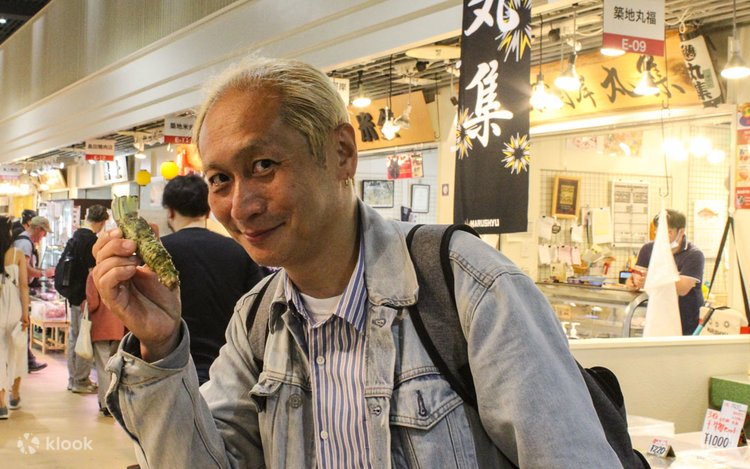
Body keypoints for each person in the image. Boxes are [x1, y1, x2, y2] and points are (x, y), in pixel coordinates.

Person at [92, 57, 620, 467]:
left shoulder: (466, 287)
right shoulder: (258, 321)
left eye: (264, 165)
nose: (241, 205)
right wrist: (161, 346)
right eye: (220, 179)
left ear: (342, 152)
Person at [160, 174, 265, 385]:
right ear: (208, 210)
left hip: (171, 369)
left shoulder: (160, 252)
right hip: (231, 372)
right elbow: (259, 312)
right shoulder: (240, 251)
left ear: (170, 211)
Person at [627, 209, 705, 335]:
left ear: (681, 232)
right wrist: (633, 282)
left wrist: (651, 279)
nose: (662, 236)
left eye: (668, 232)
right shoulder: (648, 249)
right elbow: (635, 277)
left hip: (686, 322)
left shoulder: (694, 254)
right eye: (659, 231)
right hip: (657, 318)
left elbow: (683, 288)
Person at [65, 205, 109, 394]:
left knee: (75, 337)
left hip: (73, 295)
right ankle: (80, 380)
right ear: (102, 222)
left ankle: (73, 378)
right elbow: (93, 275)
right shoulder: (90, 240)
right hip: (84, 296)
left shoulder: (76, 236)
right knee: (83, 336)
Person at [13, 215, 53, 373]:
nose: (44, 236)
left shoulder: (23, 241)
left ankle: (26, 360)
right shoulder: (25, 243)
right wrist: (43, 273)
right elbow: (24, 269)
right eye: (44, 232)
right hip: (18, 289)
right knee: (23, 323)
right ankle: (26, 361)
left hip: (18, 288)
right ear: (38, 229)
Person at [0, 216, 30, 419]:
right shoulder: (17, 254)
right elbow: (24, 286)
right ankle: (14, 395)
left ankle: (0, 403)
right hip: (13, 306)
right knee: (17, 349)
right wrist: (26, 313)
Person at [84, 272, 125, 417]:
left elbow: (93, 304)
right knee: (115, 367)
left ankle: (106, 404)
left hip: (101, 326)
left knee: (103, 367)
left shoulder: (94, 275)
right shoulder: (119, 273)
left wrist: (84, 305)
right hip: (118, 326)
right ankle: (116, 401)